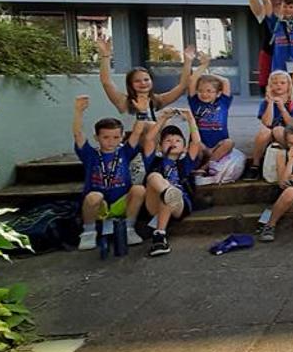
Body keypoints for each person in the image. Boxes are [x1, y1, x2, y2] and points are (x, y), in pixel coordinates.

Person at [97, 37, 197, 157]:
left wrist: (188, 62)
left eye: (146, 79)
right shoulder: (124, 101)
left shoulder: (157, 100)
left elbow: (182, 86)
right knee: (150, 125)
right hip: (132, 147)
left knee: (167, 125)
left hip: (153, 148)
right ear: (130, 84)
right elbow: (106, 82)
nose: (143, 83)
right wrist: (105, 56)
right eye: (137, 81)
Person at [72, 95, 146, 251]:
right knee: (94, 196)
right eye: (105, 137)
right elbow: (78, 134)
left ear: (122, 137)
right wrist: (78, 111)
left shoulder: (125, 152)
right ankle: (88, 232)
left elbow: (137, 133)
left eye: (115, 137)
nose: (111, 141)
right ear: (96, 137)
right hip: (99, 205)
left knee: (139, 189)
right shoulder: (90, 154)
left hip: (121, 203)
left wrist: (142, 112)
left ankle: (129, 228)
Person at [142, 109, 202, 256]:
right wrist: (162, 118)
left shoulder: (185, 163)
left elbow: (196, 142)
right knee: (154, 176)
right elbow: (149, 139)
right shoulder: (154, 160)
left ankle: (160, 235)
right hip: (154, 201)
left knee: (171, 196)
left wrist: (190, 119)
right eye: (168, 141)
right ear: (160, 146)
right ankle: (168, 191)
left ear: (184, 147)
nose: (173, 142)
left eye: (178, 140)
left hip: (178, 204)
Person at [186, 70, 234, 166]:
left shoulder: (223, 103)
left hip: (218, 145)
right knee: (195, 143)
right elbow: (192, 81)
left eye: (209, 91)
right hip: (201, 144)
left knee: (229, 143)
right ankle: (198, 166)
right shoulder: (195, 102)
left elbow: (225, 81)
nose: (204, 94)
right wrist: (199, 75)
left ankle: (206, 166)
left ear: (218, 93)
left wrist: (208, 75)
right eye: (200, 91)